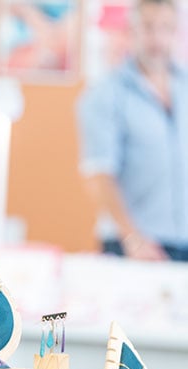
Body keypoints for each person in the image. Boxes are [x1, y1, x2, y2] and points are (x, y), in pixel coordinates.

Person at [77, 0, 188, 261]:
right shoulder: (105, 94)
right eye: (148, 28)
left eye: (166, 28)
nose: (157, 38)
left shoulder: (184, 87)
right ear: (132, 31)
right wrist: (133, 239)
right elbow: (98, 174)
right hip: (134, 247)